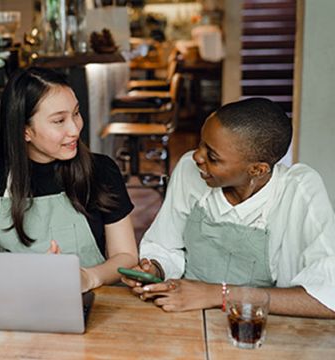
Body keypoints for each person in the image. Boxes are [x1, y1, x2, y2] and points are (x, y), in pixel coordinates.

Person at [123, 97, 335, 318]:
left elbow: (328, 296)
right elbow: (165, 244)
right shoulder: (189, 169)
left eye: (213, 157)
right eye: (200, 144)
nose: (197, 156)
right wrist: (155, 268)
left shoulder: (298, 190)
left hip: (258, 325)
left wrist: (218, 295)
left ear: (257, 170)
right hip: (185, 313)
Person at [0, 67, 138, 292]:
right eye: (59, 121)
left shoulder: (102, 170)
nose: (74, 129)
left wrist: (88, 278)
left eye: (76, 113)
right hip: (15, 299)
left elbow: (126, 256)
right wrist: (25, 273)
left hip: (94, 300)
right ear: (25, 131)